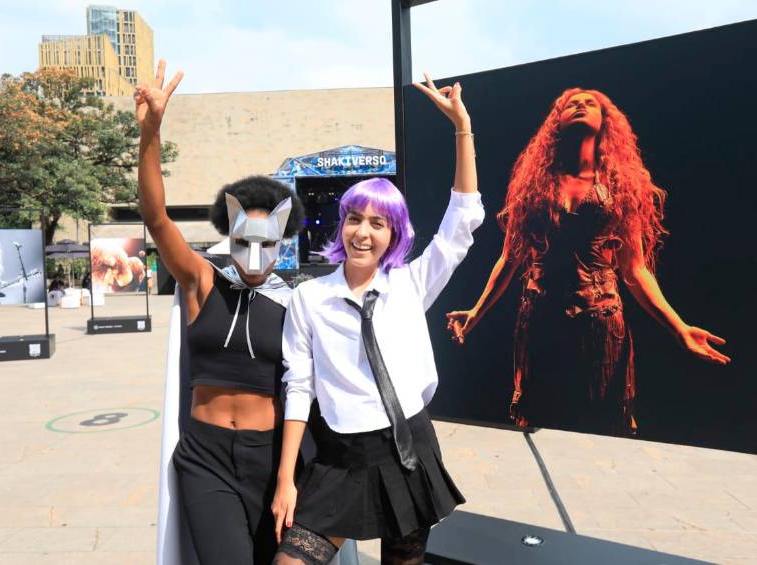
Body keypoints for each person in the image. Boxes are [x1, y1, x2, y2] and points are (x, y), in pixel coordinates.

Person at [271, 74, 483, 565]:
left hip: (408, 452)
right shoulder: (309, 299)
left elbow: (461, 224)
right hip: (341, 461)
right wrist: (286, 480)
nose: (362, 233)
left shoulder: (409, 285)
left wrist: (461, 129)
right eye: (354, 219)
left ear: (394, 234)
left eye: (378, 222)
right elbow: (298, 387)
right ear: (341, 223)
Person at [445, 88, 731, 435]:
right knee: (541, 419)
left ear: (604, 122)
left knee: (601, 425)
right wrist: (477, 311)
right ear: (558, 122)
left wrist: (679, 328)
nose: (580, 105)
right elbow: (510, 258)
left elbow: (635, 269)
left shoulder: (621, 185)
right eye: (571, 104)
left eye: (590, 103)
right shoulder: (535, 185)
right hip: (540, 320)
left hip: (601, 321)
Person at [135, 60, 309, 565]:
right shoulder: (201, 279)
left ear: (285, 239)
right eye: (242, 241)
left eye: (268, 243)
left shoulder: (296, 299)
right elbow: (155, 216)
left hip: (271, 455)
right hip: (205, 456)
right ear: (227, 232)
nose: (254, 258)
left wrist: (289, 476)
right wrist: (151, 132)